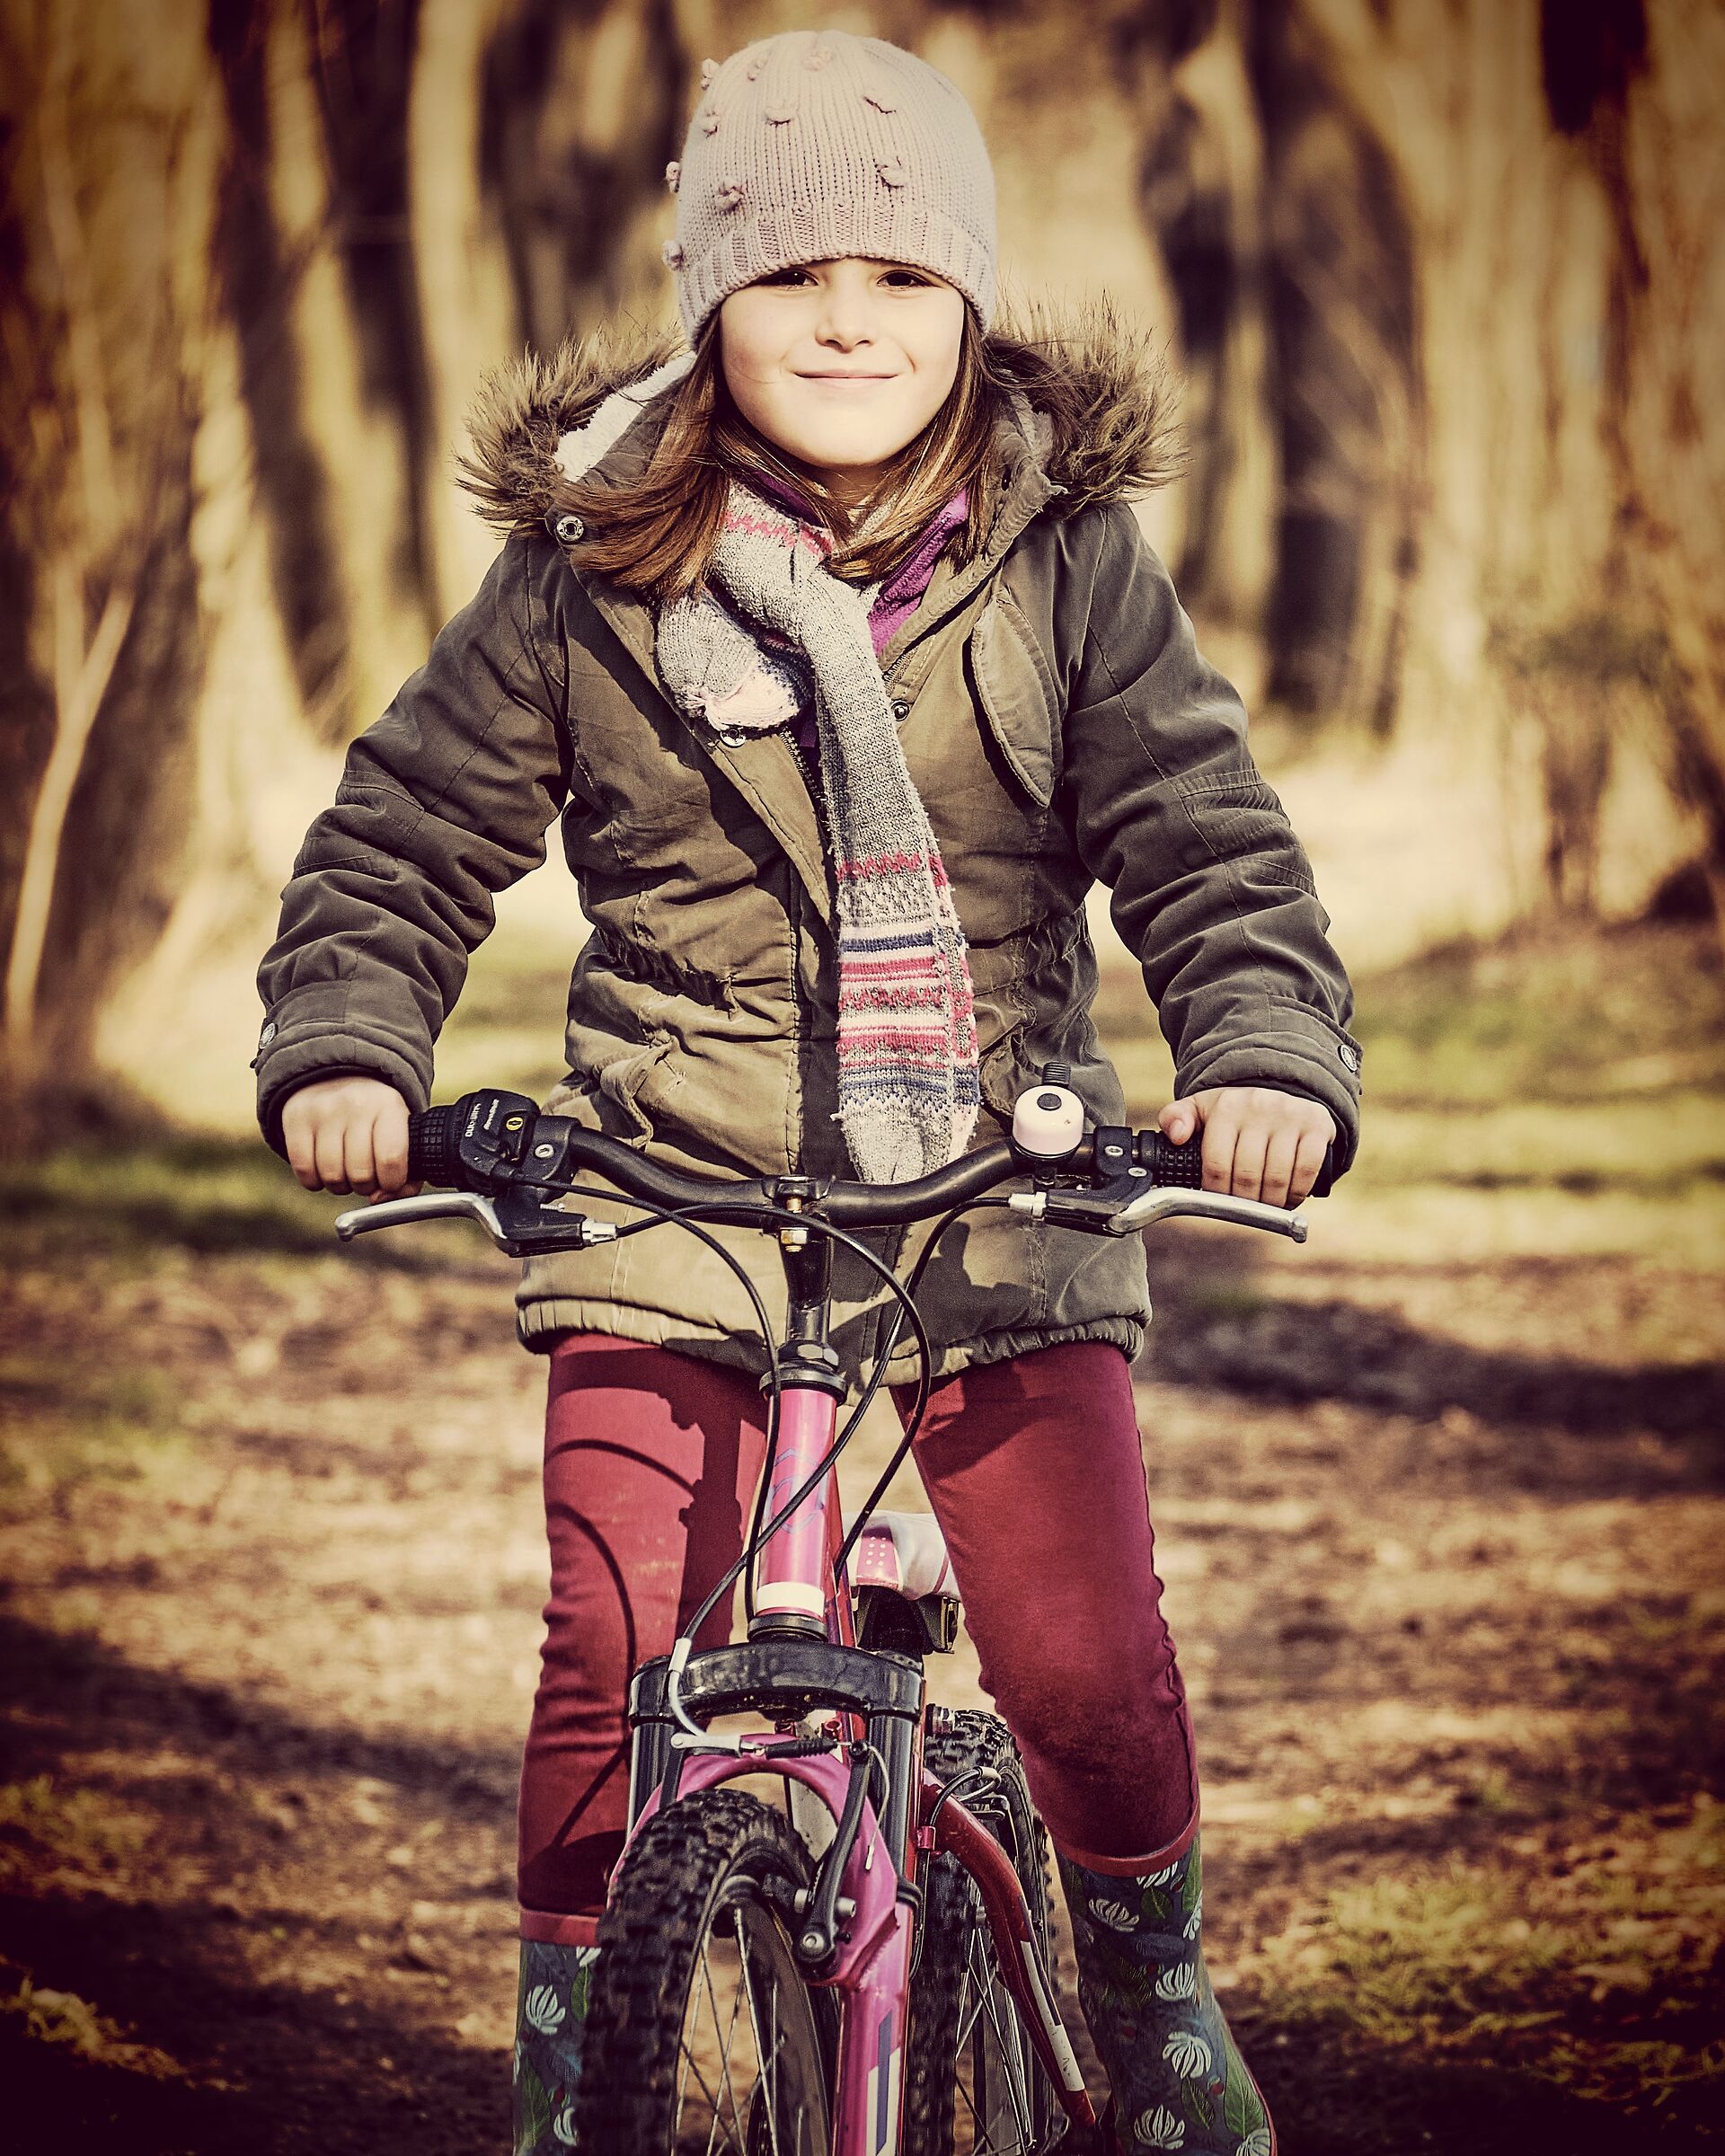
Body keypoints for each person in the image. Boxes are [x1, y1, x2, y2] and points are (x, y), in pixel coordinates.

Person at [255, 27, 1359, 2154]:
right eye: (787, 277)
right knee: (612, 1641)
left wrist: (1262, 1064)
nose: (846, 320)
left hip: (989, 1190)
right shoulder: (586, 584)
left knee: (1079, 1660)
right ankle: (578, 2059)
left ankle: (1145, 1976)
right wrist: (348, 1049)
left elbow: (1211, 853)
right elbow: (399, 845)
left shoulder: (1066, 569)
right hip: (667, 1185)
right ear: (705, 307)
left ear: (970, 304)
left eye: (900, 278)